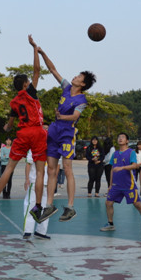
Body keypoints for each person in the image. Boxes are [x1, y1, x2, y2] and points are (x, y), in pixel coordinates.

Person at [0, 35, 48, 221]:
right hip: (37, 132)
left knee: (9, 167)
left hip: (22, 133)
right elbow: (37, 70)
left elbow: (9, 126)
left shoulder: (14, 102)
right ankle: (38, 207)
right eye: (28, 82)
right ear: (26, 85)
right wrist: (34, 48)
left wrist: (6, 127)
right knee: (40, 171)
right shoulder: (30, 93)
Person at [37, 41, 96, 223]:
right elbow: (53, 70)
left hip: (67, 133)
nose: (75, 76)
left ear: (83, 83)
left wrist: (62, 117)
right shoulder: (66, 88)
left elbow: (75, 116)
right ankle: (49, 205)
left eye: (79, 76)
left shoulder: (82, 100)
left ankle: (70, 207)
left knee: (67, 168)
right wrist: (42, 52)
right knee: (51, 169)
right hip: (54, 130)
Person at [100, 132, 141, 233]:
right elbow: (112, 169)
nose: (120, 138)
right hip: (116, 185)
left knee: (138, 205)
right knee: (108, 203)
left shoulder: (131, 152)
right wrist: (110, 184)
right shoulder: (115, 154)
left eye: (122, 137)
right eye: (119, 137)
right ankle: (110, 224)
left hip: (128, 185)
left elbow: (134, 165)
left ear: (127, 141)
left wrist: (122, 167)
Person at [22, 149, 50, 240]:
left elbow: (57, 166)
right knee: (30, 204)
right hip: (34, 181)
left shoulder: (52, 147)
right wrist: (27, 179)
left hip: (47, 182)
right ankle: (28, 230)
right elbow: (28, 163)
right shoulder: (34, 148)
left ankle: (41, 231)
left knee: (46, 207)